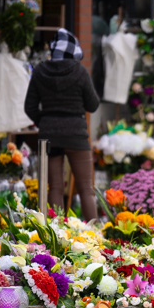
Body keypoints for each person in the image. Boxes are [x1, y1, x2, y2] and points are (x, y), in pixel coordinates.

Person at [24, 28, 101, 220]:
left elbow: (29, 106)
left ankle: (55, 233)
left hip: (49, 135)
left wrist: (46, 120)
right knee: (86, 188)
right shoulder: (79, 71)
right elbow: (93, 105)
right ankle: (95, 233)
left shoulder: (40, 70)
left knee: (55, 187)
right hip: (76, 135)